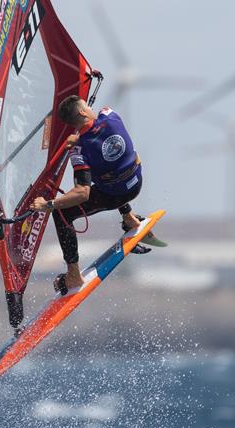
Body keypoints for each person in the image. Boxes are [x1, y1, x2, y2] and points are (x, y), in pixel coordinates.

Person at [31, 96, 165, 293]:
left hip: (114, 195)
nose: (90, 106)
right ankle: (129, 217)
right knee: (108, 169)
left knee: (62, 213)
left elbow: (82, 193)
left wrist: (48, 204)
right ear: (83, 112)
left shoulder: (79, 151)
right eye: (87, 105)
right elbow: (98, 133)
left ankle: (74, 276)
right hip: (136, 183)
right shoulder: (110, 116)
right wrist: (80, 138)